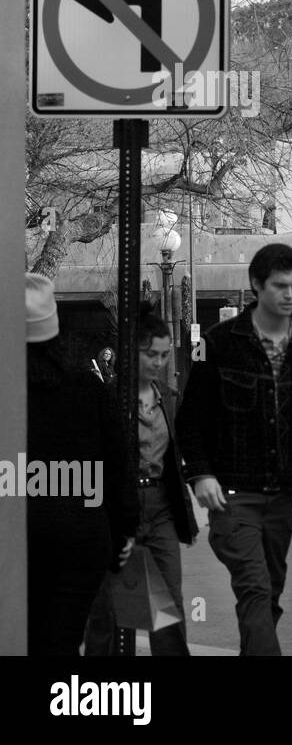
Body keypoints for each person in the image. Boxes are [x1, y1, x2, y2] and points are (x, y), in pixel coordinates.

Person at [176, 243, 292, 655]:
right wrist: (200, 474)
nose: (289, 295)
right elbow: (190, 421)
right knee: (255, 589)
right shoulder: (219, 345)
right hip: (232, 499)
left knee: (267, 597)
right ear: (257, 285)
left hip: (282, 500)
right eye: (280, 286)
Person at [25, 273, 137, 655]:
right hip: (80, 541)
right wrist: (123, 530)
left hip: (19, 538)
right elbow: (118, 465)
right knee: (63, 639)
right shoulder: (88, 391)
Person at [85, 304, 199, 656]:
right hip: (118, 505)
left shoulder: (168, 397)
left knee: (168, 603)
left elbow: (183, 451)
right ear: (132, 352)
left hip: (161, 506)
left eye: (164, 355)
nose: (159, 362)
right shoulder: (109, 398)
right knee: (111, 606)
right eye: (151, 354)